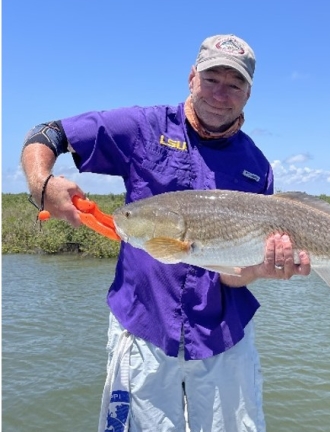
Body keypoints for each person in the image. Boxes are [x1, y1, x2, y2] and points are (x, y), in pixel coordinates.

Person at [21, 34, 311, 432]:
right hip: (143, 324)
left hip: (224, 335)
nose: (220, 94)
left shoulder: (257, 165)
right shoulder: (143, 127)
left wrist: (260, 268)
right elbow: (48, 133)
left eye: (234, 84)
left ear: (248, 93)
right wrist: (42, 185)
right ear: (192, 77)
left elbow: (232, 273)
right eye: (211, 79)